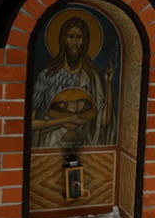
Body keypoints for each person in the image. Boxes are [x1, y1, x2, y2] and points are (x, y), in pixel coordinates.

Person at [31, 15, 115, 148]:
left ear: (84, 41)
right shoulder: (47, 75)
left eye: (79, 37)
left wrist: (108, 82)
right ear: (64, 40)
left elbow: (103, 121)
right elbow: (31, 121)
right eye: (71, 37)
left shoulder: (92, 76)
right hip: (52, 143)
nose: (75, 42)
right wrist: (67, 119)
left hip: (83, 144)